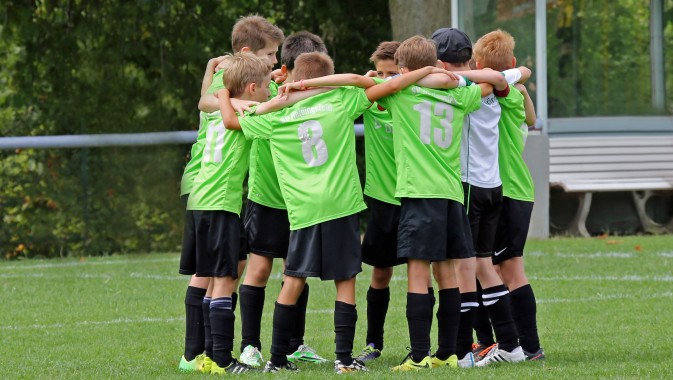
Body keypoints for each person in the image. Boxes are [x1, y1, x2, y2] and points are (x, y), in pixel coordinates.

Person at [220, 51, 456, 373]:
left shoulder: (274, 117)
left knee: (293, 280)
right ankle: (343, 359)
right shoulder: (341, 102)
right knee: (345, 281)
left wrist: (273, 98)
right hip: (342, 204)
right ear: (324, 77)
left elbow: (235, 120)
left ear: (294, 78)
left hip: (303, 210)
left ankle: (275, 359)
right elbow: (368, 83)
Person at [431, 27, 530, 367]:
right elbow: (519, 73)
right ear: (469, 58)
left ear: (441, 62)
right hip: (493, 186)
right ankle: (512, 346)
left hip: (469, 185)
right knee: (485, 267)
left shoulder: (459, 89)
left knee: (465, 267)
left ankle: (461, 352)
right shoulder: (494, 83)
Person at [237, 31, 329, 368]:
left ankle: (295, 343)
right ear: (288, 69)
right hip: (268, 195)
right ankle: (250, 345)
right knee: (260, 269)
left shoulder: (324, 97)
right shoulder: (268, 94)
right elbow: (230, 100)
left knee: (297, 271)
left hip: (303, 200)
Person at [473, 29, 545, 363]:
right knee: (504, 267)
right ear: (513, 64)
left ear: (477, 63)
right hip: (521, 189)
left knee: (505, 268)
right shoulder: (514, 94)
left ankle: (524, 346)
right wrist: (521, 84)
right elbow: (531, 119)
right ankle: (520, 345)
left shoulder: (490, 93)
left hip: (502, 189)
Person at [177, 56, 225, 374]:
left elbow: (203, 97)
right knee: (212, 271)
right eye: (268, 56)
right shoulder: (236, 99)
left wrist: (209, 67)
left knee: (212, 269)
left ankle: (201, 352)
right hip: (210, 189)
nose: (273, 62)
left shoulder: (217, 90)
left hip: (198, 186)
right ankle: (196, 353)